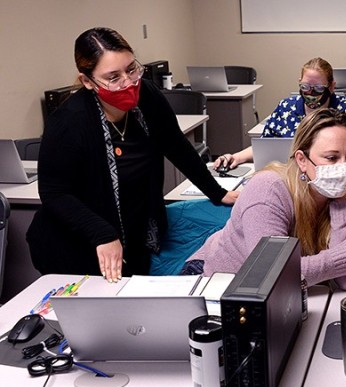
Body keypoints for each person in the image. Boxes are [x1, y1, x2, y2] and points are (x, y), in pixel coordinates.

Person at [27, 27, 238, 283]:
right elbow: (54, 193)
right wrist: (101, 233)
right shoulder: (69, 123)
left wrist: (217, 192)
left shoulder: (147, 95)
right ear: (87, 81)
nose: (128, 83)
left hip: (134, 232)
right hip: (78, 244)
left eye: (131, 69)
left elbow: (176, 145)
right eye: (113, 77)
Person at [185, 108, 346, 291]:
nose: (344, 167)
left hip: (283, 294)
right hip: (213, 280)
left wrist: (341, 204)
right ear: (302, 160)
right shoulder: (268, 189)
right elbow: (271, 273)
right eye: (332, 158)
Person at [212, 57, 346, 170]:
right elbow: (266, 145)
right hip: (288, 176)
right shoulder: (286, 107)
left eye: (319, 88)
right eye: (305, 86)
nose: (310, 93)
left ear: (331, 87)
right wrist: (235, 157)